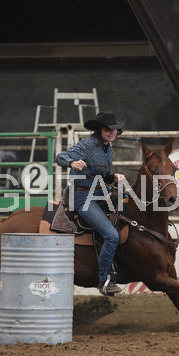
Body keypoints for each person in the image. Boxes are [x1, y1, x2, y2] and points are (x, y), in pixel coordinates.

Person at [54, 111, 126, 296]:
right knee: (112, 236)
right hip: (83, 196)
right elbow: (60, 157)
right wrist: (72, 163)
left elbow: (102, 174)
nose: (111, 132)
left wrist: (112, 177)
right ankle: (104, 279)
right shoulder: (87, 145)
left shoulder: (107, 148)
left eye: (114, 129)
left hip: (101, 191)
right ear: (100, 129)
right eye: (107, 129)